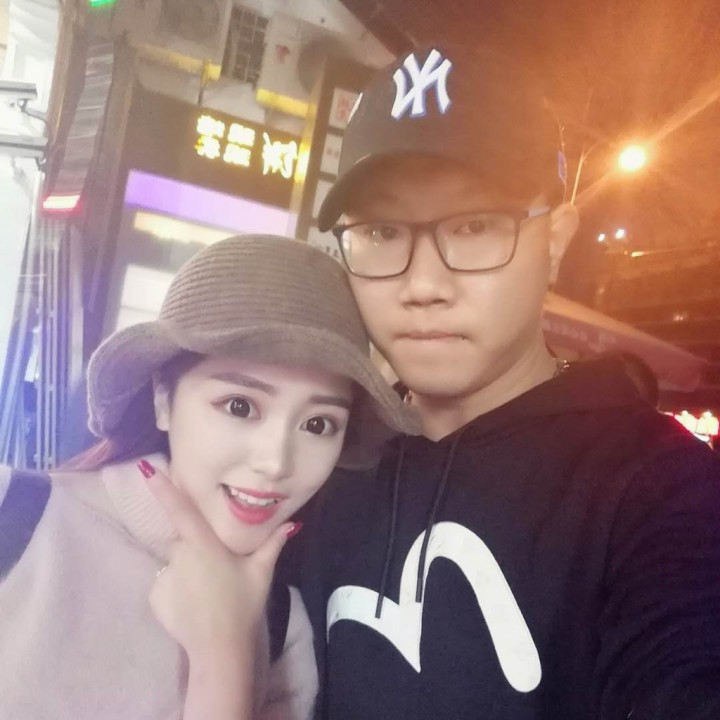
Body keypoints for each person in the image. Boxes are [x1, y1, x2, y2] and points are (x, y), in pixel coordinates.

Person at [291, 45, 720, 719]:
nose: (422, 285)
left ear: (556, 240)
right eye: (380, 231)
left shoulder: (657, 491)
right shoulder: (325, 454)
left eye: (474, 226)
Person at [0, 234, 415, 720]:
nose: (275, 463)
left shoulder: (284, 626)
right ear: (163, 399)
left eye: (318, 425)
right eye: (239, 406)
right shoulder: (16, 518)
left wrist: (225, 660)